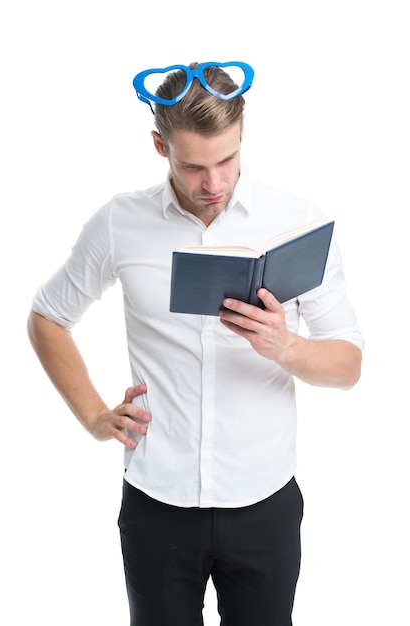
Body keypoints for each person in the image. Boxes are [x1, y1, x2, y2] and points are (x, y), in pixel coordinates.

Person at [27, 61, 364, 626]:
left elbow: (349, 362)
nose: (214, 184)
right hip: (157, 503)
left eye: (227, 160)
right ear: (160, 146)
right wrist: (91, 415)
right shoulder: (120, 222)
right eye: (193, 166)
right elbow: (48, 316)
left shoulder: (297, 222)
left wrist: (287, 348)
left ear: (242, 135)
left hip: (265, 503)